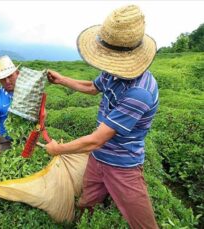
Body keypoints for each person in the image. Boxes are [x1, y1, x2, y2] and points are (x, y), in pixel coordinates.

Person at [46, 5, 159, 229]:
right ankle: (87, 219)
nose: (106, 66)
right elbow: (92, 87)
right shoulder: (113, 72)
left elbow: (96, 139)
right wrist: (62, 80)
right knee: (88, 200)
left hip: (123, 165)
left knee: (143, 223)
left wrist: (58, 149)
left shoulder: (139, 92)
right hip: (98, 158)